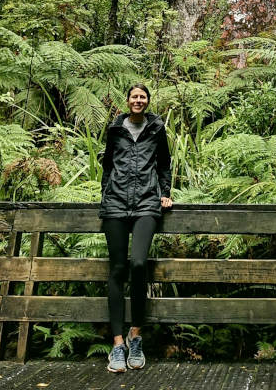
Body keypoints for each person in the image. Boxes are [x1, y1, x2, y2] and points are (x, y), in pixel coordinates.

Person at [99, 83, 172, 374]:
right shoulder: (115, 129)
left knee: (139, 264)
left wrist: (164, 191)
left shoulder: (156, 128)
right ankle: (117, 345)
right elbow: (107, 165)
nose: (138, 100)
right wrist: (105, 194)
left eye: (142, 97)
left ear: (147, 101)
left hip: (145, 204)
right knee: (117, 268)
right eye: (134, 97)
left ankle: (135, 335)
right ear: (127, 101)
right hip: (116, 204)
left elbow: (164, 163)